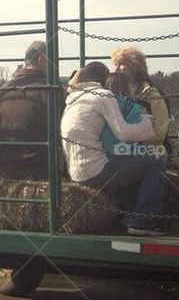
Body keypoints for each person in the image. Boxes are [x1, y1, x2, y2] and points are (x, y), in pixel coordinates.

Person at [61, 62, 166, 236]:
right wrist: (146, 123)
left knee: (129, 164)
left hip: (76, 173)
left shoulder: (73, 100)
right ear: (103, 79)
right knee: (156, 161)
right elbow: (123, 133)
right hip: (96, 171)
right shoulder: (102, 95)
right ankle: (143, 222)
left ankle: (127, 215)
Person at [0, 40, 64, 179]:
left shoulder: (3, 90)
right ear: (40, 59)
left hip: (6, 166)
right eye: (53, 60)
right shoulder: (51, 89)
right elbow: (62, 127)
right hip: (41, 167)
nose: (55, 65)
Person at [110, 46, 171, 153]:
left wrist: (128, 140)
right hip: (118, 151)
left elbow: (159, 135)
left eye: (121, 64)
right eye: (116, 64)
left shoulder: (152, 96)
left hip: (146, 152)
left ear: (135, 66)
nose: (117, 69)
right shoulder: (112, 93)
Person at [99, 72, 146, 155]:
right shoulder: (132, 106)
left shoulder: (100, 105)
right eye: (132, 85)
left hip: (103, 154)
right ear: (126, 88)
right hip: (126, 154)